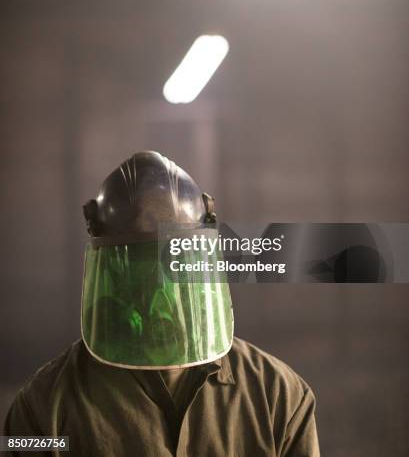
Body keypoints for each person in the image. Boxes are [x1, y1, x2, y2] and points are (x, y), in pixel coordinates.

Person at [4, 151, 320, 456]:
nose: (161, 294)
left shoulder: (278, 396)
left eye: (174, 263)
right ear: (111, 271)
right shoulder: (42, 411)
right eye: (142, 272)